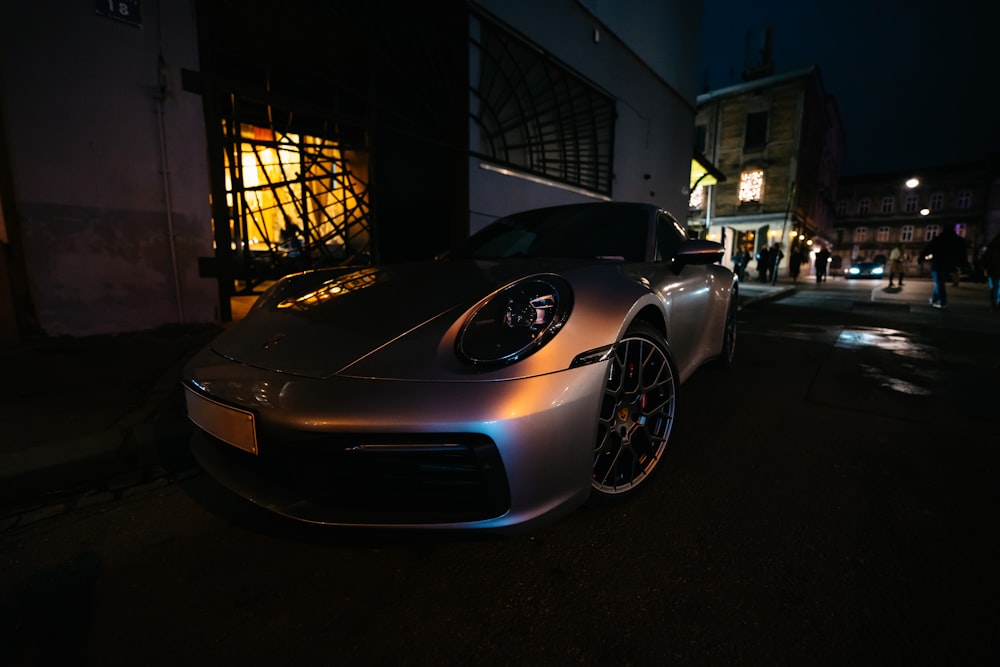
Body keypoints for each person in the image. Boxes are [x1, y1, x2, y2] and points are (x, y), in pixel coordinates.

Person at [920, 227, 967, 309]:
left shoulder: (939, 239)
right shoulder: (957, 241)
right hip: (949, 265)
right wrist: (963, 264)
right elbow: (962, 253)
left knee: (939, 283)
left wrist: (920, 258)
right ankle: (934, 299)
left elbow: (928, 249)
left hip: (938, 264)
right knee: (939, 283)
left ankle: (942, 302)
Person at [980, 232, 1000, 313]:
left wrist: (984, 267)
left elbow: (985, 258)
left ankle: (993, 304)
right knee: (998, 287)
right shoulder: (992, 247)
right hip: (993, 269)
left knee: (993, 288)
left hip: (992, 270)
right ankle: (997, 302)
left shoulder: (992, 246)